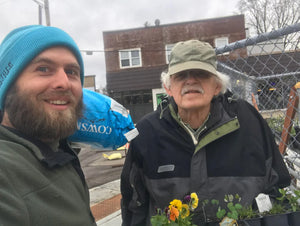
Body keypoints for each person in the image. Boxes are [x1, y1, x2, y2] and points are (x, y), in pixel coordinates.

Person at [120, 40, 291, 225]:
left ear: (217, 85)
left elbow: (277, 189)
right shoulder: (147, 132)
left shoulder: (248, 122)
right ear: (168, 87)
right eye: (180, 75)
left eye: (201, 73)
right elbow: (134, 205)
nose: (191, 80)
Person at [0, 25, 96, 225]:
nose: (64, 82)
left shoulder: (60, 150)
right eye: (43, 69)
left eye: (71, 72)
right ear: (7, 86)